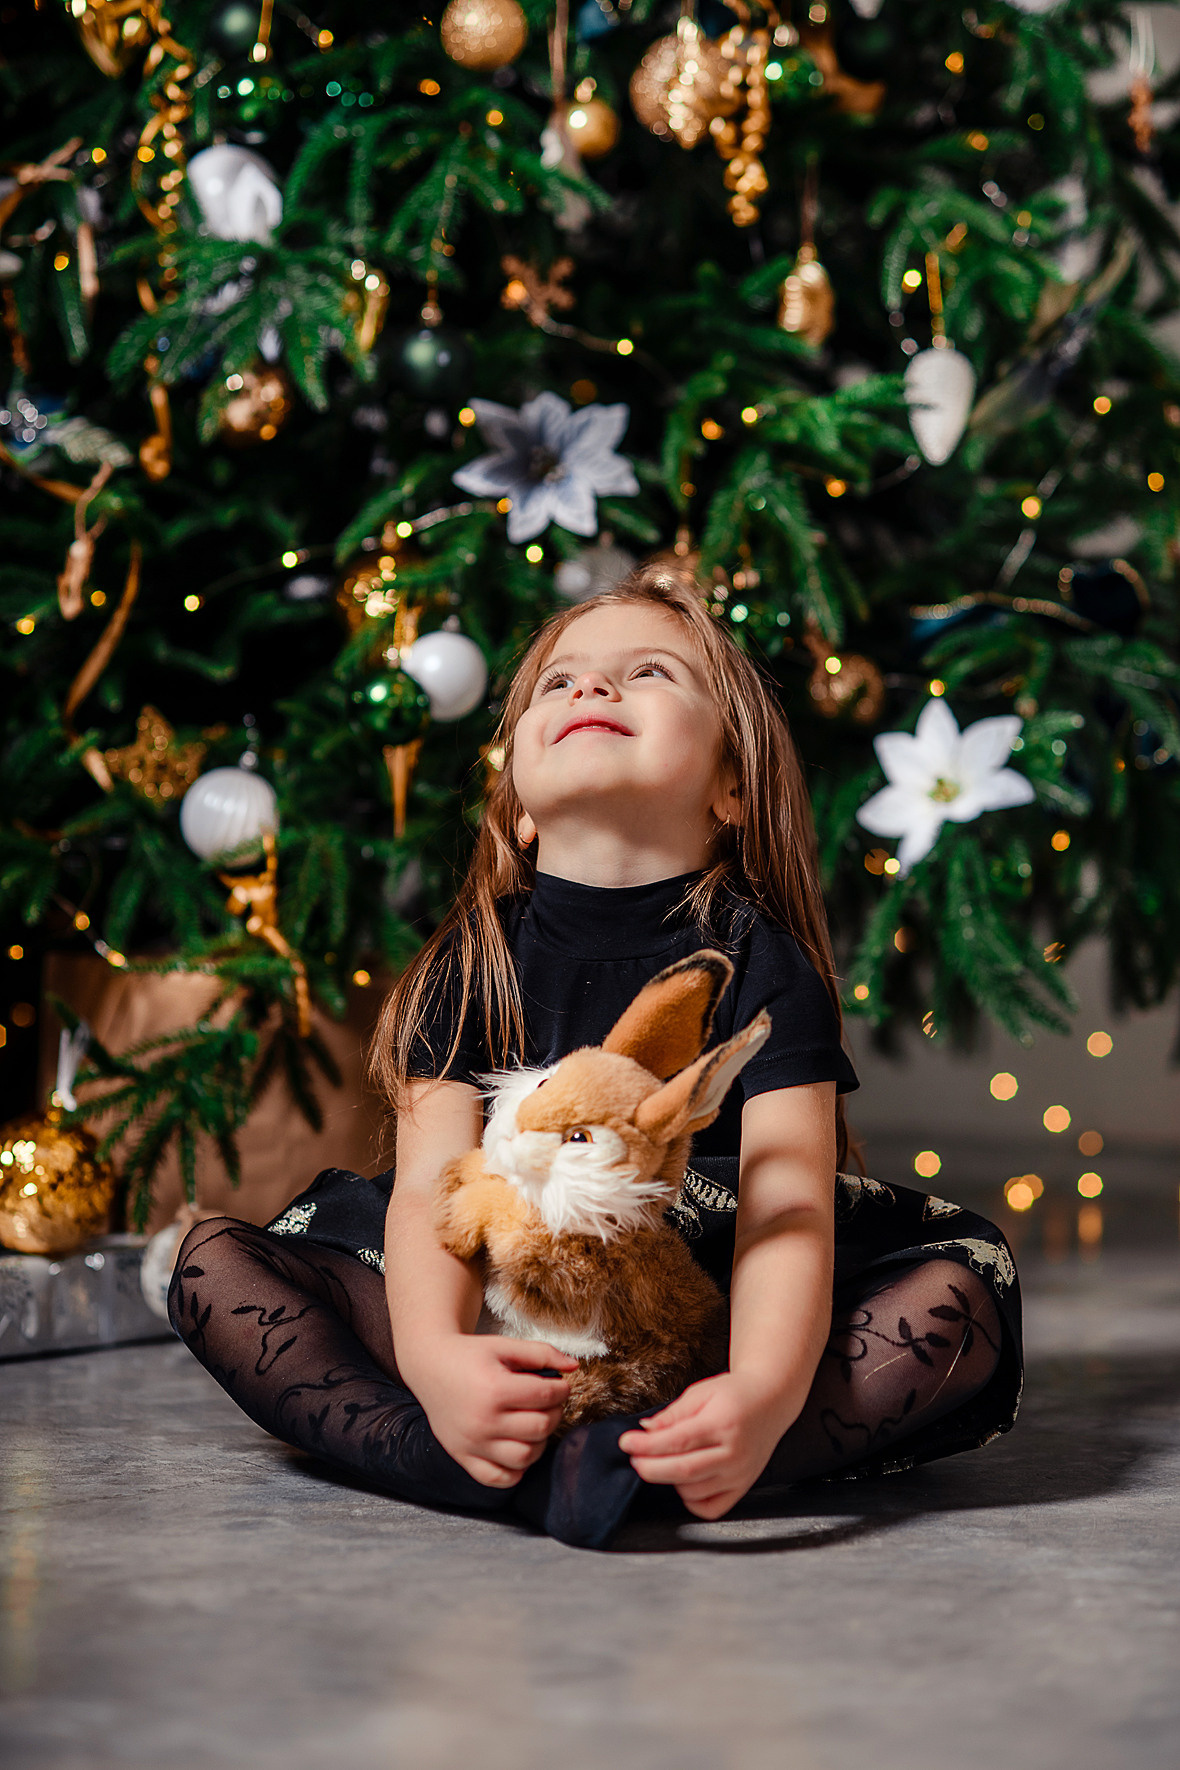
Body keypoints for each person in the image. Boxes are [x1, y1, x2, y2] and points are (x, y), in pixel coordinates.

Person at [170, 562, 1021, 1549]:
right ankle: (455, 1444)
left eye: (651, 672)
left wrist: (758, 1389)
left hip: (689, 1310)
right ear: (520, 806)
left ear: (732, 784)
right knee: (212, 1269)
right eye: (558, 682)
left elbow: (791, 1201)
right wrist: (440, 1360)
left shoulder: (759, 962)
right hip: (492, 1295)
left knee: (958, 1293)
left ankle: (686, 1450)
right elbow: (430, 1195)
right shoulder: (469, 958)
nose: (590, 689)